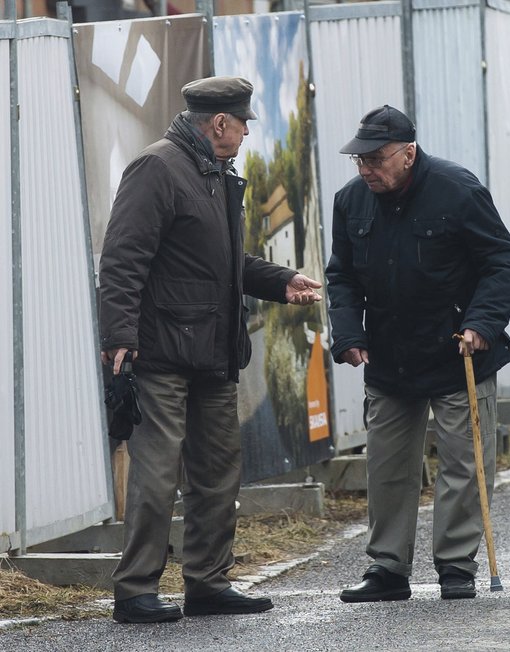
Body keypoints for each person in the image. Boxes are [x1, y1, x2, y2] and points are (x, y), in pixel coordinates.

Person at [99, 76, 323, 624]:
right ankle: (135, 591)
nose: (247, 131)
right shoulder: (158, 168)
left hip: (214, 355)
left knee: (220, 471)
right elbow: (122, 261)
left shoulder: (215, 173)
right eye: (243, 122)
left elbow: (225, 264)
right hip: (162, 355)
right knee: (156, 473)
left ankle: (207, 583)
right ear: (219, 123)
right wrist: (120, 340)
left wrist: (280, 280)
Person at [326, 105, 510, 602]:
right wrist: (348, 334)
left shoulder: (458, 190)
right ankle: (388, 569)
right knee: (388, 466)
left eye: (375, 158)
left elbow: (502, 260)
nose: (366, 168)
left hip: (458, 351)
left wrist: (482, 324)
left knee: (464, 465)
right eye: (359, 160)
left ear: (408, 153)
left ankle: (456, 566)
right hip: (388, 355)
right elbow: (342, 276)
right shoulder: (351, 200)